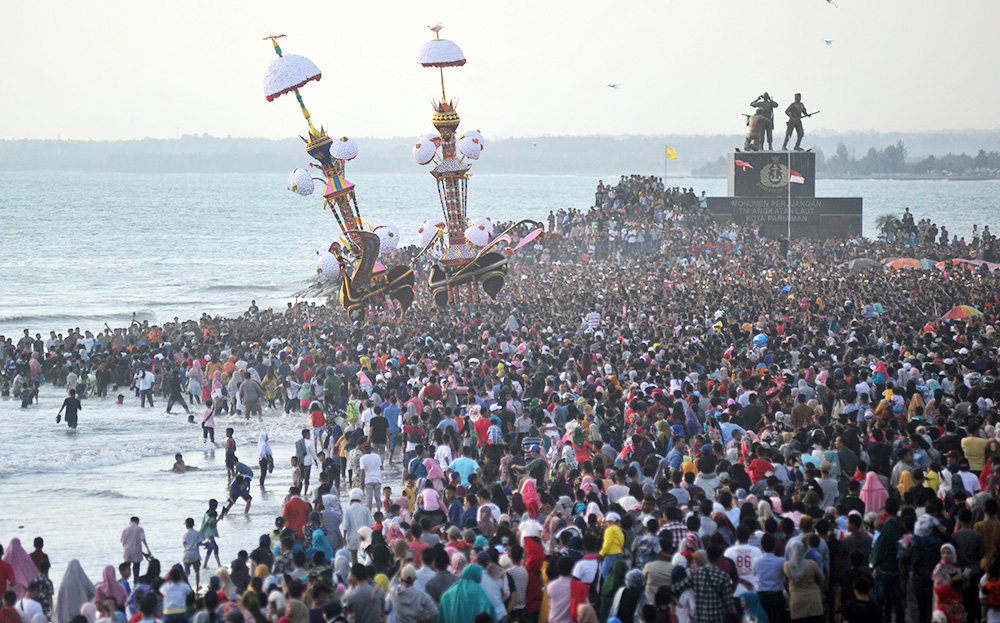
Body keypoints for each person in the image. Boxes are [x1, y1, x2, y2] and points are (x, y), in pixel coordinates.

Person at [783, 541, 824, 623]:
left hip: (796, 602)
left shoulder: (787, 566)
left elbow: (785, 580)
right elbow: (822, 578)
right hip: (813, 601)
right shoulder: (812, 564)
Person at [119, 519, 150, 585]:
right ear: (138, 522)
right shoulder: (140, 529)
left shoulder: (125, 530)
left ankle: (124, 584)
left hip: (127, 552)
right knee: (136, 570)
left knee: (126, 569)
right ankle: (135, 585)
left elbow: (122, 541)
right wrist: (148, 549)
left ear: (130, 522)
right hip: (137, 552)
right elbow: (143, 539)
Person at [359, 444, 383, 510]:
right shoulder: (377, 456)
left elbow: (362, 472)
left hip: (368, 480)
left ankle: (369, 513)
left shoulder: (362, 458)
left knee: (369, 498)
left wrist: (361, 483)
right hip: (377, 479)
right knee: (378, 498)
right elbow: (381, 467)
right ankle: (379, 512)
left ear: (363, 449)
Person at [200, 500, 222, 568]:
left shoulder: (207, 512)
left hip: (206, 533)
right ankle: (219, 565)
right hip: (209, 534)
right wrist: (218, 519)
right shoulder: (211, 514)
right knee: (215, 548)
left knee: (210, 548)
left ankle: (205, 564)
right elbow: (211, 524)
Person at [181, 518, 202, 589]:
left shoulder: (185, 535)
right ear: (193, 525)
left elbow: (184, 544)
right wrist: (205, 544)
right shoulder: (197, 533)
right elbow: (199, 543)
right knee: (197, 571)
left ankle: (185, 587)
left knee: (186, 573)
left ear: (186, 525)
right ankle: (197, 587)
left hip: (186, 554)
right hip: (195, 554)